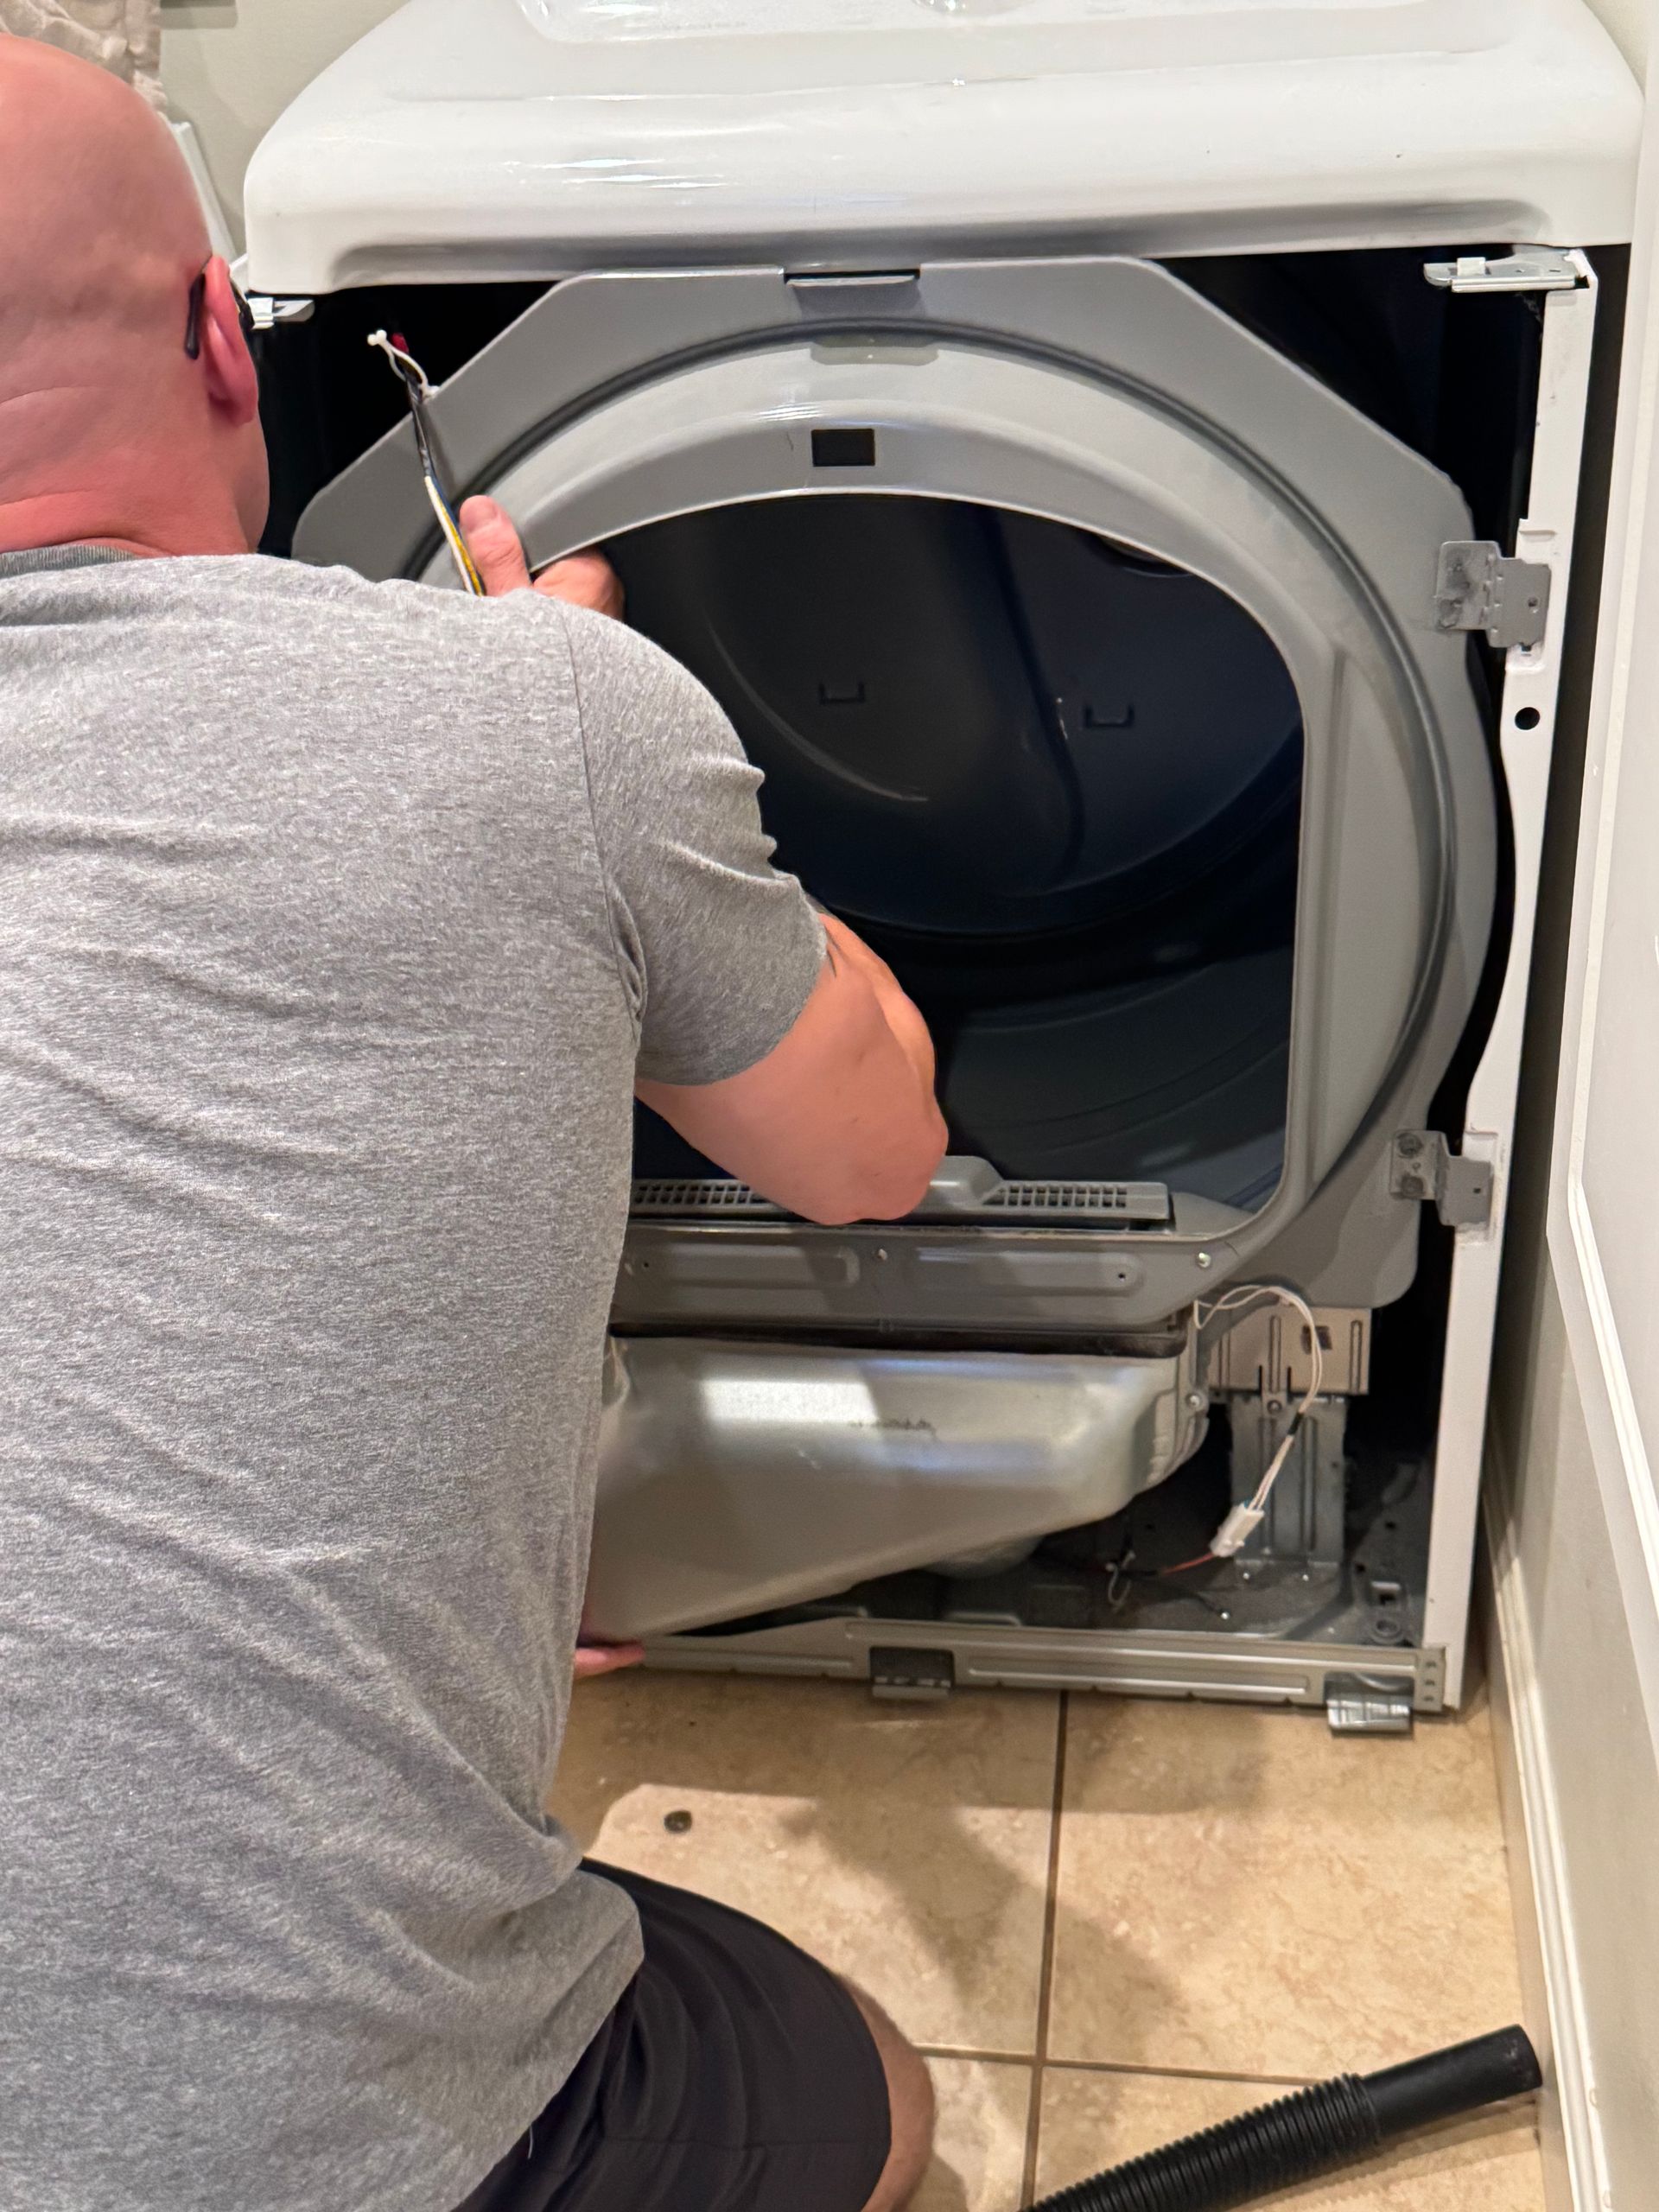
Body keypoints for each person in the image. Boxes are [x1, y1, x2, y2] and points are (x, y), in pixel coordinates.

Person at [0, 39, 949, 2212]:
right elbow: (875, 1152)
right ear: (224, 336)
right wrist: (552, 749)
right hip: (297, 2161)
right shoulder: (542, 716)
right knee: (878, 2091)